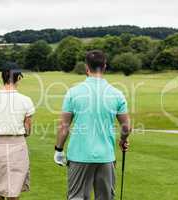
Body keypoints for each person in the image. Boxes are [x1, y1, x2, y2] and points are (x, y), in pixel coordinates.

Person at [54, 50, 131, 200]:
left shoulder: (73, 92)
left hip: (79, 156)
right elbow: (126, 127)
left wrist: (59, 149)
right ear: (105, 67)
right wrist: (123, 140)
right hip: (106, 156)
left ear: (86, 68)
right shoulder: (116, 94)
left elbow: (64, 126)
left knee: (76, 197)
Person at [0, 62, 35, 200]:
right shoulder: (26, 100)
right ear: (19, 77)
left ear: (2, 77)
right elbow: (27, 130)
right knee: (13, 193)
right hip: (18, 147)